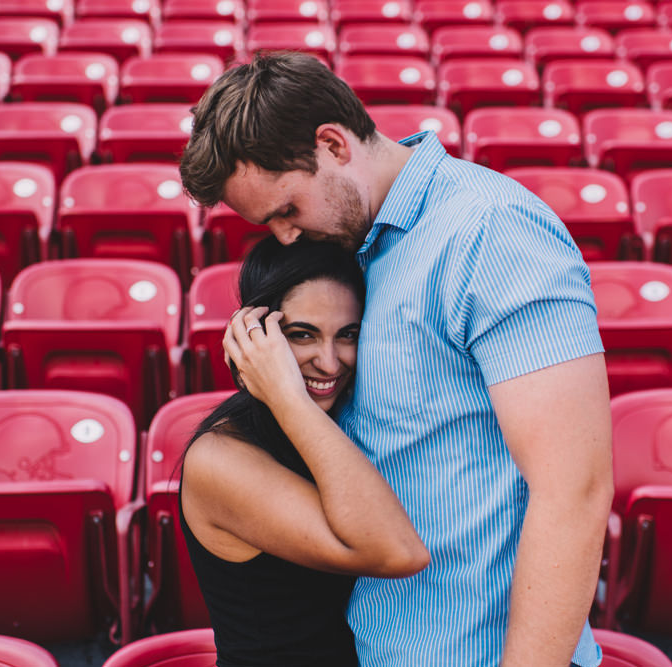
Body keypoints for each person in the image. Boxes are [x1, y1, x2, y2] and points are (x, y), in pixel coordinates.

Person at [180, 52, 614, 667]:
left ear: (332, 145)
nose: (284, 238)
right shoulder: (362, 249)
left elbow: (576, 488)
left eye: (286, 210)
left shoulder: (489, 230)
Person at [178, 236, 430, 667]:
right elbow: (398, 552)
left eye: (348, 335)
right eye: (302, 335)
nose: (330, 363)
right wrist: (287, 396)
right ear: (254, 337)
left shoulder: (351, 423)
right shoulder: (219, 458)